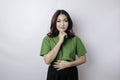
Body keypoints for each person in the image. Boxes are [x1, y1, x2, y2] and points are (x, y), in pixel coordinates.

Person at [40, 10, 87, 80]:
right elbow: (47, 61)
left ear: (69, 22)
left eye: (65, 21)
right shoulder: (47, 39)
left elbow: (83, 59)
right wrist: (60, 41)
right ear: (54, 23)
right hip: (54, 73)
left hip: (71, 73)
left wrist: (69, 64)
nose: (62, 24)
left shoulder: (75, 39)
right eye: (58, 21)